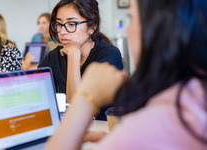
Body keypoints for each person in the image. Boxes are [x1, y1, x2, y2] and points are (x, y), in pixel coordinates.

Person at [44, 0, 207, 149]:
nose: (127, 30)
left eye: (131, 19)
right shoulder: (192, 94)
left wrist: (85, 98)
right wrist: (118, 140)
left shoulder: (166, 115)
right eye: (58, 24)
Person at [38, 0, 123, 120]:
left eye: (71, 24)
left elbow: (78, 114)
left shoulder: (109, 55)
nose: (62, 31)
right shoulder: (53, 57)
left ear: (92, 28)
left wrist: (73, 56)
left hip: (103, 132)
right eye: (59, 24)